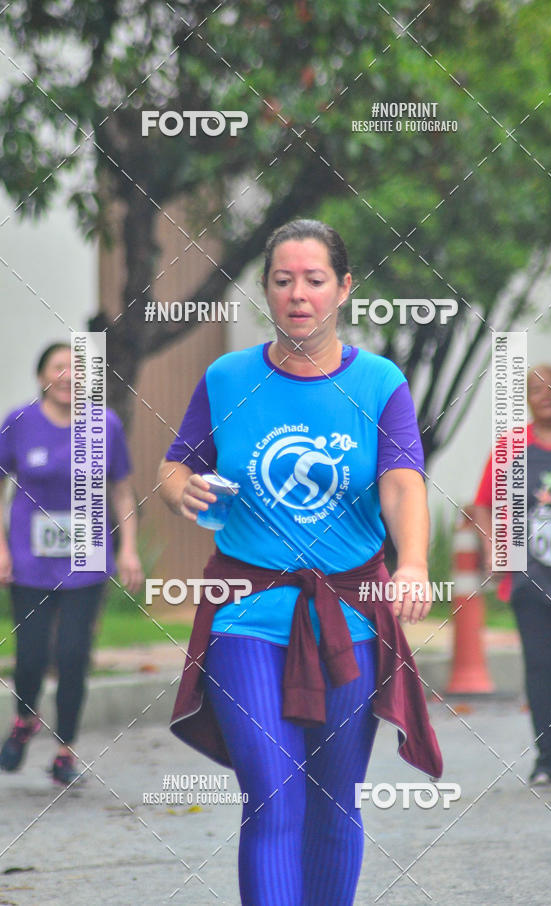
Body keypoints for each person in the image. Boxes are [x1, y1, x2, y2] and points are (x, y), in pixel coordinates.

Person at [157, 219, 442, 906]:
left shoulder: (379, 383)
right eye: (282, 280)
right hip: (246, 612)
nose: (298, 295)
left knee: (332, 800)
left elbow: (403, 483)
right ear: (267, 290)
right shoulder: (228, 378)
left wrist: (412, 564)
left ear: (343, 288)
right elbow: (175, 467)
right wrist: (180, 490)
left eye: (314, 280)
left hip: (351, 613)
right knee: (273, 795)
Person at [0, 342, 143, 785]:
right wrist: (1, 548)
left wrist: (130, 548)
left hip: (86, 558)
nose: (69, 375)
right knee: (31, 656)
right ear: (42, 375)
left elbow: (121, 490)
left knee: (74, 656)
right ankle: (25, 720)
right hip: (29, 558)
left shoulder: (106, 425)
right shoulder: (19, 422)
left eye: (77, 368)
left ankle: (66, 751)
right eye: (59, 367)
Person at [474, 365, 551, 787]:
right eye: (535, 389)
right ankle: (545, 760)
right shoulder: (511, 448)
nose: (545, 395)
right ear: (526, 399)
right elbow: (484, 504)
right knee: (539, 665)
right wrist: (494, 549)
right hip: (531, 575)